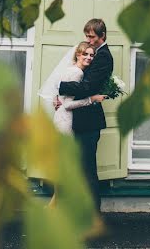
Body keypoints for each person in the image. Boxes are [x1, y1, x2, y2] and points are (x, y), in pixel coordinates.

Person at [58, 18, 111, 212]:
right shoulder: (97, 53)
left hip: (89, 123)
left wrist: (60, 87)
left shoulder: (104, 56)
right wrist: (63, 99)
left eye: (92, 37)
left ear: (102, 36)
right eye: (87, 36)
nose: (88, 40)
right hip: (81, 121)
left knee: (88, 171)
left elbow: (88, 87)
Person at [52, 42, 105, 134]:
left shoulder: (69, 68)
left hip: (59, 116)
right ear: (77, 55)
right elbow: (67, 105)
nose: (89, 58)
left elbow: (58, 87)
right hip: (66, 119)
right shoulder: (78, 73)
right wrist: (91, 99)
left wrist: (56, 98)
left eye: (91, 55)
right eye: (85, 54)